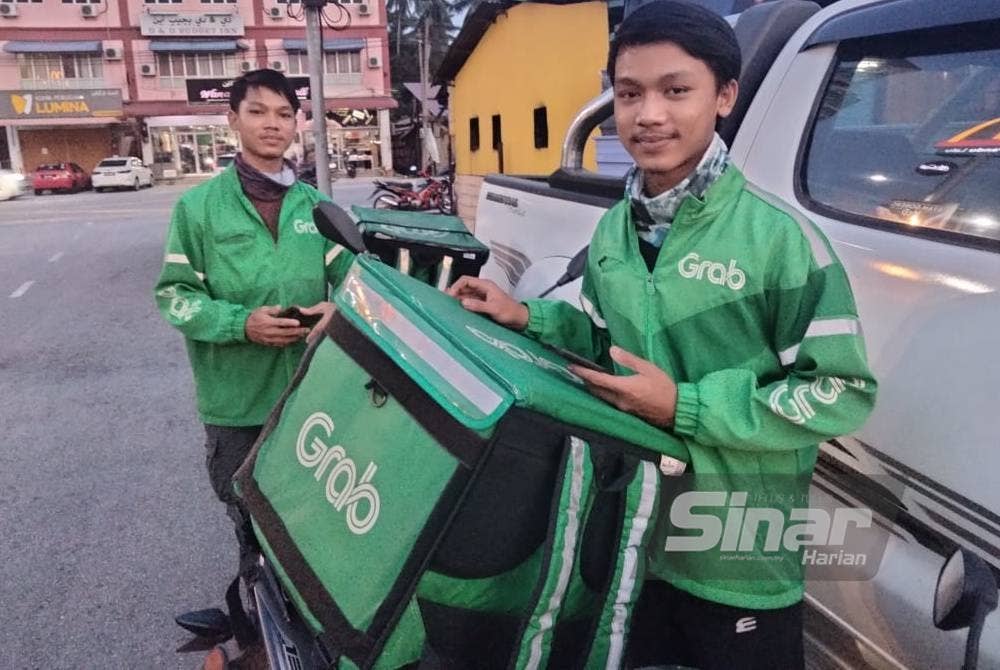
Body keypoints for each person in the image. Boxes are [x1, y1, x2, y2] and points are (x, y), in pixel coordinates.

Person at [447, 2, 877, 668]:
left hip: (737, 558)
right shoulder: (616, 231)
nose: (649, 114)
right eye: (629, 94)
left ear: (724, 96)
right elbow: (605, 341)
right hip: (636, 538)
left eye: (676, 91)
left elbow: (841, 391)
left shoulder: (781, 241)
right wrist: (527, 317)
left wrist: (684, 407)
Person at [154, 68, 354, 644]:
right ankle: (261, 627)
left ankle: (319, 630)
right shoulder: (198, 209)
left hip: (310, 400)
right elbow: (174, 296)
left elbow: (354, 279)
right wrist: (241, 323)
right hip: (237, 405)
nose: (273, 124)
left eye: (284, 114)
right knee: (252, 521)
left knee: (315, 520)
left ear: (297, 125)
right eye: (258, 111)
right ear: (233, 120)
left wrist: (337, 310)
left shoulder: (316, 207)